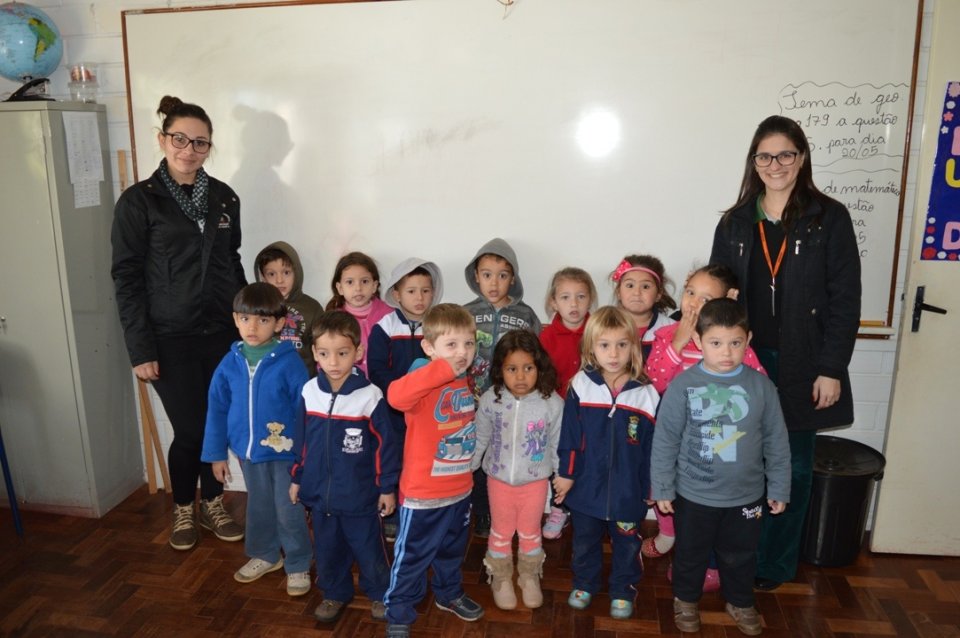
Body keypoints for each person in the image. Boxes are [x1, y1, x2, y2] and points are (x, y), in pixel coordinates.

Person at [711, 114, 861, 591]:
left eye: (785, 155)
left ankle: (773, 566)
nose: (774, 165)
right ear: (753, 162)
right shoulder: (735, 222)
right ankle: (733, 557)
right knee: (736, 463)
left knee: (792, 468)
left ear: (801, 158)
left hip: (804, 362)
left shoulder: (828, 217)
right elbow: (717, 295)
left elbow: (846, 298)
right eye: (764, 156)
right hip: (744, 362)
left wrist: (831, 367)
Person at [111, 95, 246, 550]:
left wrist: (248, 324)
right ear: (163, 139)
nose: (189, 150)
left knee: (217, 426)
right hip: (169, 338)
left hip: (224, 336)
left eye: (200, 142)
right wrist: (140, 348)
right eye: (180, 139)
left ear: (210, 147)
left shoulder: (225, 197)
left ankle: (213, 502)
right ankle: (185, 507)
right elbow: (126, 276)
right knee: (192, 430)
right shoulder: (139, 202)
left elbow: (233, 262)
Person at [651, 298, 791, 636]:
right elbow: (665, 440)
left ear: (748, 340)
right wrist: (663, 488)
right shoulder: (683, 386)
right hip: (694, 495)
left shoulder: (761, 387)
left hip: (746, 497)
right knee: (689, 554)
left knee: (740, 555)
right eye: (716, 343)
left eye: (735, 343)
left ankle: (740, 601)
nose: (726, 352)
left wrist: (779, 487)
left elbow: (776, 439)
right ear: (699, 342)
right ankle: (685, 600)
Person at [643, 264, 766, 570]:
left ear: (729, 300)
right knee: (664, 486)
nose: (694, 303)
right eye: (690, 293)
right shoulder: (667, 334)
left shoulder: (733, 345)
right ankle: (669, 533)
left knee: (706, 504)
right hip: (676, 438)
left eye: (705, 297)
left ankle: (705, 562)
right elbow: (655, 381)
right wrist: (678, 343)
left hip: (717, 442)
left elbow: (758, 385)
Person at [201, 283, 312, 596]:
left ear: (278, 324)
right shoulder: (229, 363)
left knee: (287, 507)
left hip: (285, 454)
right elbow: (217, 410)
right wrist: (216, 455)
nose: (253, 326)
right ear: (236, 319)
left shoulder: (290, 363)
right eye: (246, 318)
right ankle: (265, 555)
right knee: (259, 506)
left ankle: (298, 561)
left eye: (263, 320)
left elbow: (304, 412)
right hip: (247, 454)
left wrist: (304, 456)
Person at [290, 311, 398, 623]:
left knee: (369, 549)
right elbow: (302, 440)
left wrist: (387, 488)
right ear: (314, 353)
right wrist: (297, 477)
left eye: (342, 353)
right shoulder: (309, 392)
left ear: (358, 352)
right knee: (327, 550)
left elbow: (385, 447)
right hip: (320, 498)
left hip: (360, 497)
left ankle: (379, 593)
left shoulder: (370, 396)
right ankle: (335, 593)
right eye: (324, 354)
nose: (333, 362)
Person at [553, 306, 659, 620]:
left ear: (633, 347)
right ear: (590, 348)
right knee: (584, 541)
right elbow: (569, 437)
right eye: (604, 345)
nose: (613, 353)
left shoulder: (647, 393)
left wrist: (654, 484)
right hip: (585, 488)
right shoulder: (580, 386)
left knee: (628, 544)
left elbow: (655, 446)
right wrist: (566, 474)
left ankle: (623, 588)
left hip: (629, 491)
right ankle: (585, 582)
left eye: (622, 345)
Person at [384, 304, 484, 637]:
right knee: (412, 556)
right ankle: (398, 610)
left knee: (452, 550)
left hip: (459, 488)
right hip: (423, 494)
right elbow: (396, 397)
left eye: (469, 344)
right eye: (451, 345)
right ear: (429, 347)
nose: (462, 352)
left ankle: (448, 593)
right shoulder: (421, 375)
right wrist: (440, 369)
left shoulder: (464, 378)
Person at [471, 331, 563, 610]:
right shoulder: (491, 399)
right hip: (497, 479)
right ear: (500, 370)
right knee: (500, 530)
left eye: (528, 368)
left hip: (535, 482)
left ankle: (529, 575)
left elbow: (558, 443)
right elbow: (481, 437)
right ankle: (500, 576)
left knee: (530, 530)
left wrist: (561, 476)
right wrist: (469, 467)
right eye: (512, 369)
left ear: (539, 368)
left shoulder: (552, 403)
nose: (520, 377)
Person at [463, 237, 542, 538]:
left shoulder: (525, 315)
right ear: (476, 276)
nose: (494, 282)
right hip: (469, 401)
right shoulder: (465, 312)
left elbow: (535, 358)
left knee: (499, 456)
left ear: (513, 279)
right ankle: (477, 510)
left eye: (502, 275)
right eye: (486, 274)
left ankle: (501, 514)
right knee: (473, 455)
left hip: (510, 403)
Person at [367, 257, 444, 542]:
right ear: (397, 295)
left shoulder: (438, 325)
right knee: (395, 460)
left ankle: (424, 515)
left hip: (428, 411)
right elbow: (376, 369)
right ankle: (395, 515)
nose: (419, 297)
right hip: (393, 410)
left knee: (423, 463)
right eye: (411, 291)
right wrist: (401, 391)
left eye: (425, 290)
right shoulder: (384, 327)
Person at [538, 266, 597, 540]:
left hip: (591, 411)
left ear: (591, 299)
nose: (573, 304)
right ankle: (559, 506)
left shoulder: (597, 331)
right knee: (560, 458)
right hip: (558, 412)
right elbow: (540, 374)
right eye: (565, 297)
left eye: (581, 297)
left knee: (587, 456)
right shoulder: (546, 337)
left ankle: (586, 505)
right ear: (553, 301)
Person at [254, 241, 323, 376]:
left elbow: (323, 347)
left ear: (296, 273)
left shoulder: (312, 307)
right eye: (272, 274)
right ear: (262, 277)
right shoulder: (257, 307)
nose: (280, 280)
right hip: (269, 378)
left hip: (304, 379)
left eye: (286, 272)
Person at [325, 251, 392, 375]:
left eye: (364, 281)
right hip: (349, 389)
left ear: (374, 286)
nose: (358, 288)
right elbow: (325, 355)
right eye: (350, 282)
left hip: (385, 386)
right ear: (340, 288)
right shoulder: (333, 320)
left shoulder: (390, 316)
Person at [610, 254, 677, 360]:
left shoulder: (673, 329)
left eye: (645, 286)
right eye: (630, 285)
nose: (637, 293)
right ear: (618, 292)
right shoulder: (604, 326)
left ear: (658, 294)